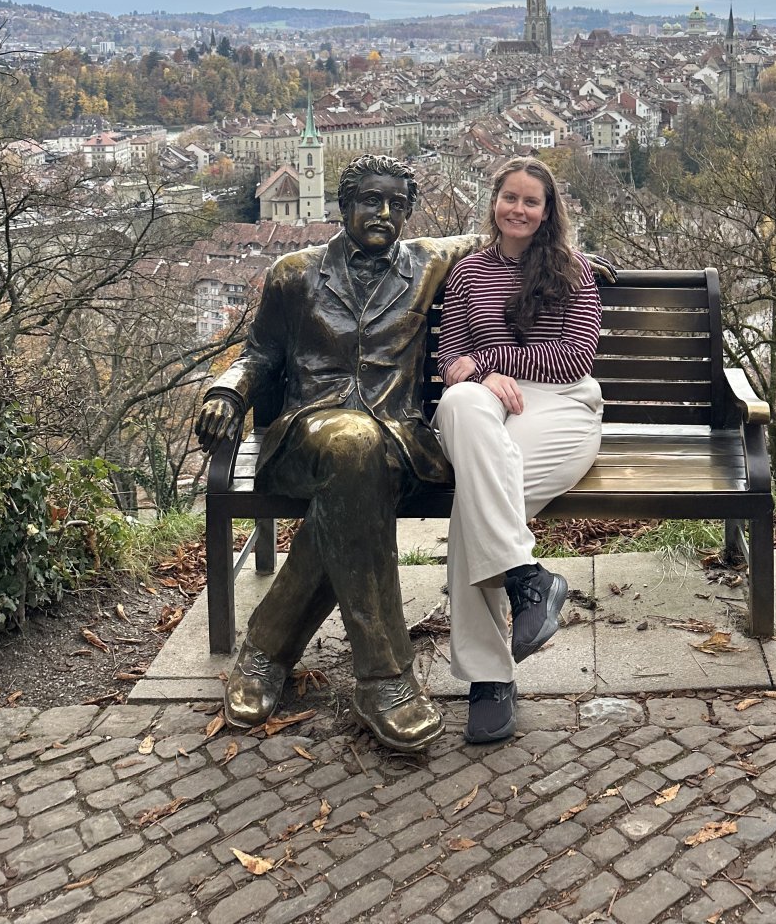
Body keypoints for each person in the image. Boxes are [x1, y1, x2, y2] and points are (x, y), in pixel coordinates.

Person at [194, 154, 480, 754]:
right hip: (304, 436)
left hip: (397, 443)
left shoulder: (427, 264)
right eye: (371, 201)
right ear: (343, 205)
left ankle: (267, 649)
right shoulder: (292, 273)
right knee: (352, 444)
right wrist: (225, 391)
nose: (383, 214)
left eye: (396, 204)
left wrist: (572, 258)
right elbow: (260, 356)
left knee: (360, 464)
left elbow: (507, 233)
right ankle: (384, 677)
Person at [433, 155, 603, 745]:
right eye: (511, 197)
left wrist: (485, 363)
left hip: (558, 405)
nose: (520, 209)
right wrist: (472, 376)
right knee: (456, 405)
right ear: (495, 202)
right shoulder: (469, 272)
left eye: (533, 201)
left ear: (548, 211)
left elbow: (574, 356)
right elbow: (449, 356)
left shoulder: (573, 271)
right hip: (484, 405)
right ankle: (528, 579)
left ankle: (489, 682)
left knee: (471, 514)